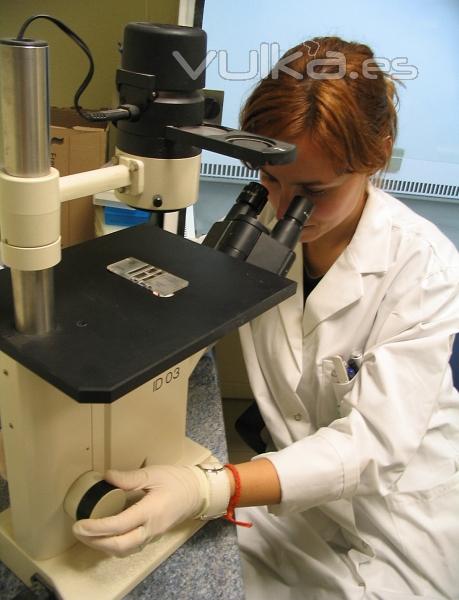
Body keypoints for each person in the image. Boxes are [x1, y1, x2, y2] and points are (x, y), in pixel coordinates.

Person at [73, 37, 459, 599]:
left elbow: (371, 446)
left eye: (313, 192)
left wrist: (208, 489)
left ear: (378, 154)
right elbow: (175, 292)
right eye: (269, 180)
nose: (283, 210)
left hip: (395, 529)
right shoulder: (256, 238)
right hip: (290, 512)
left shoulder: (426, 272)